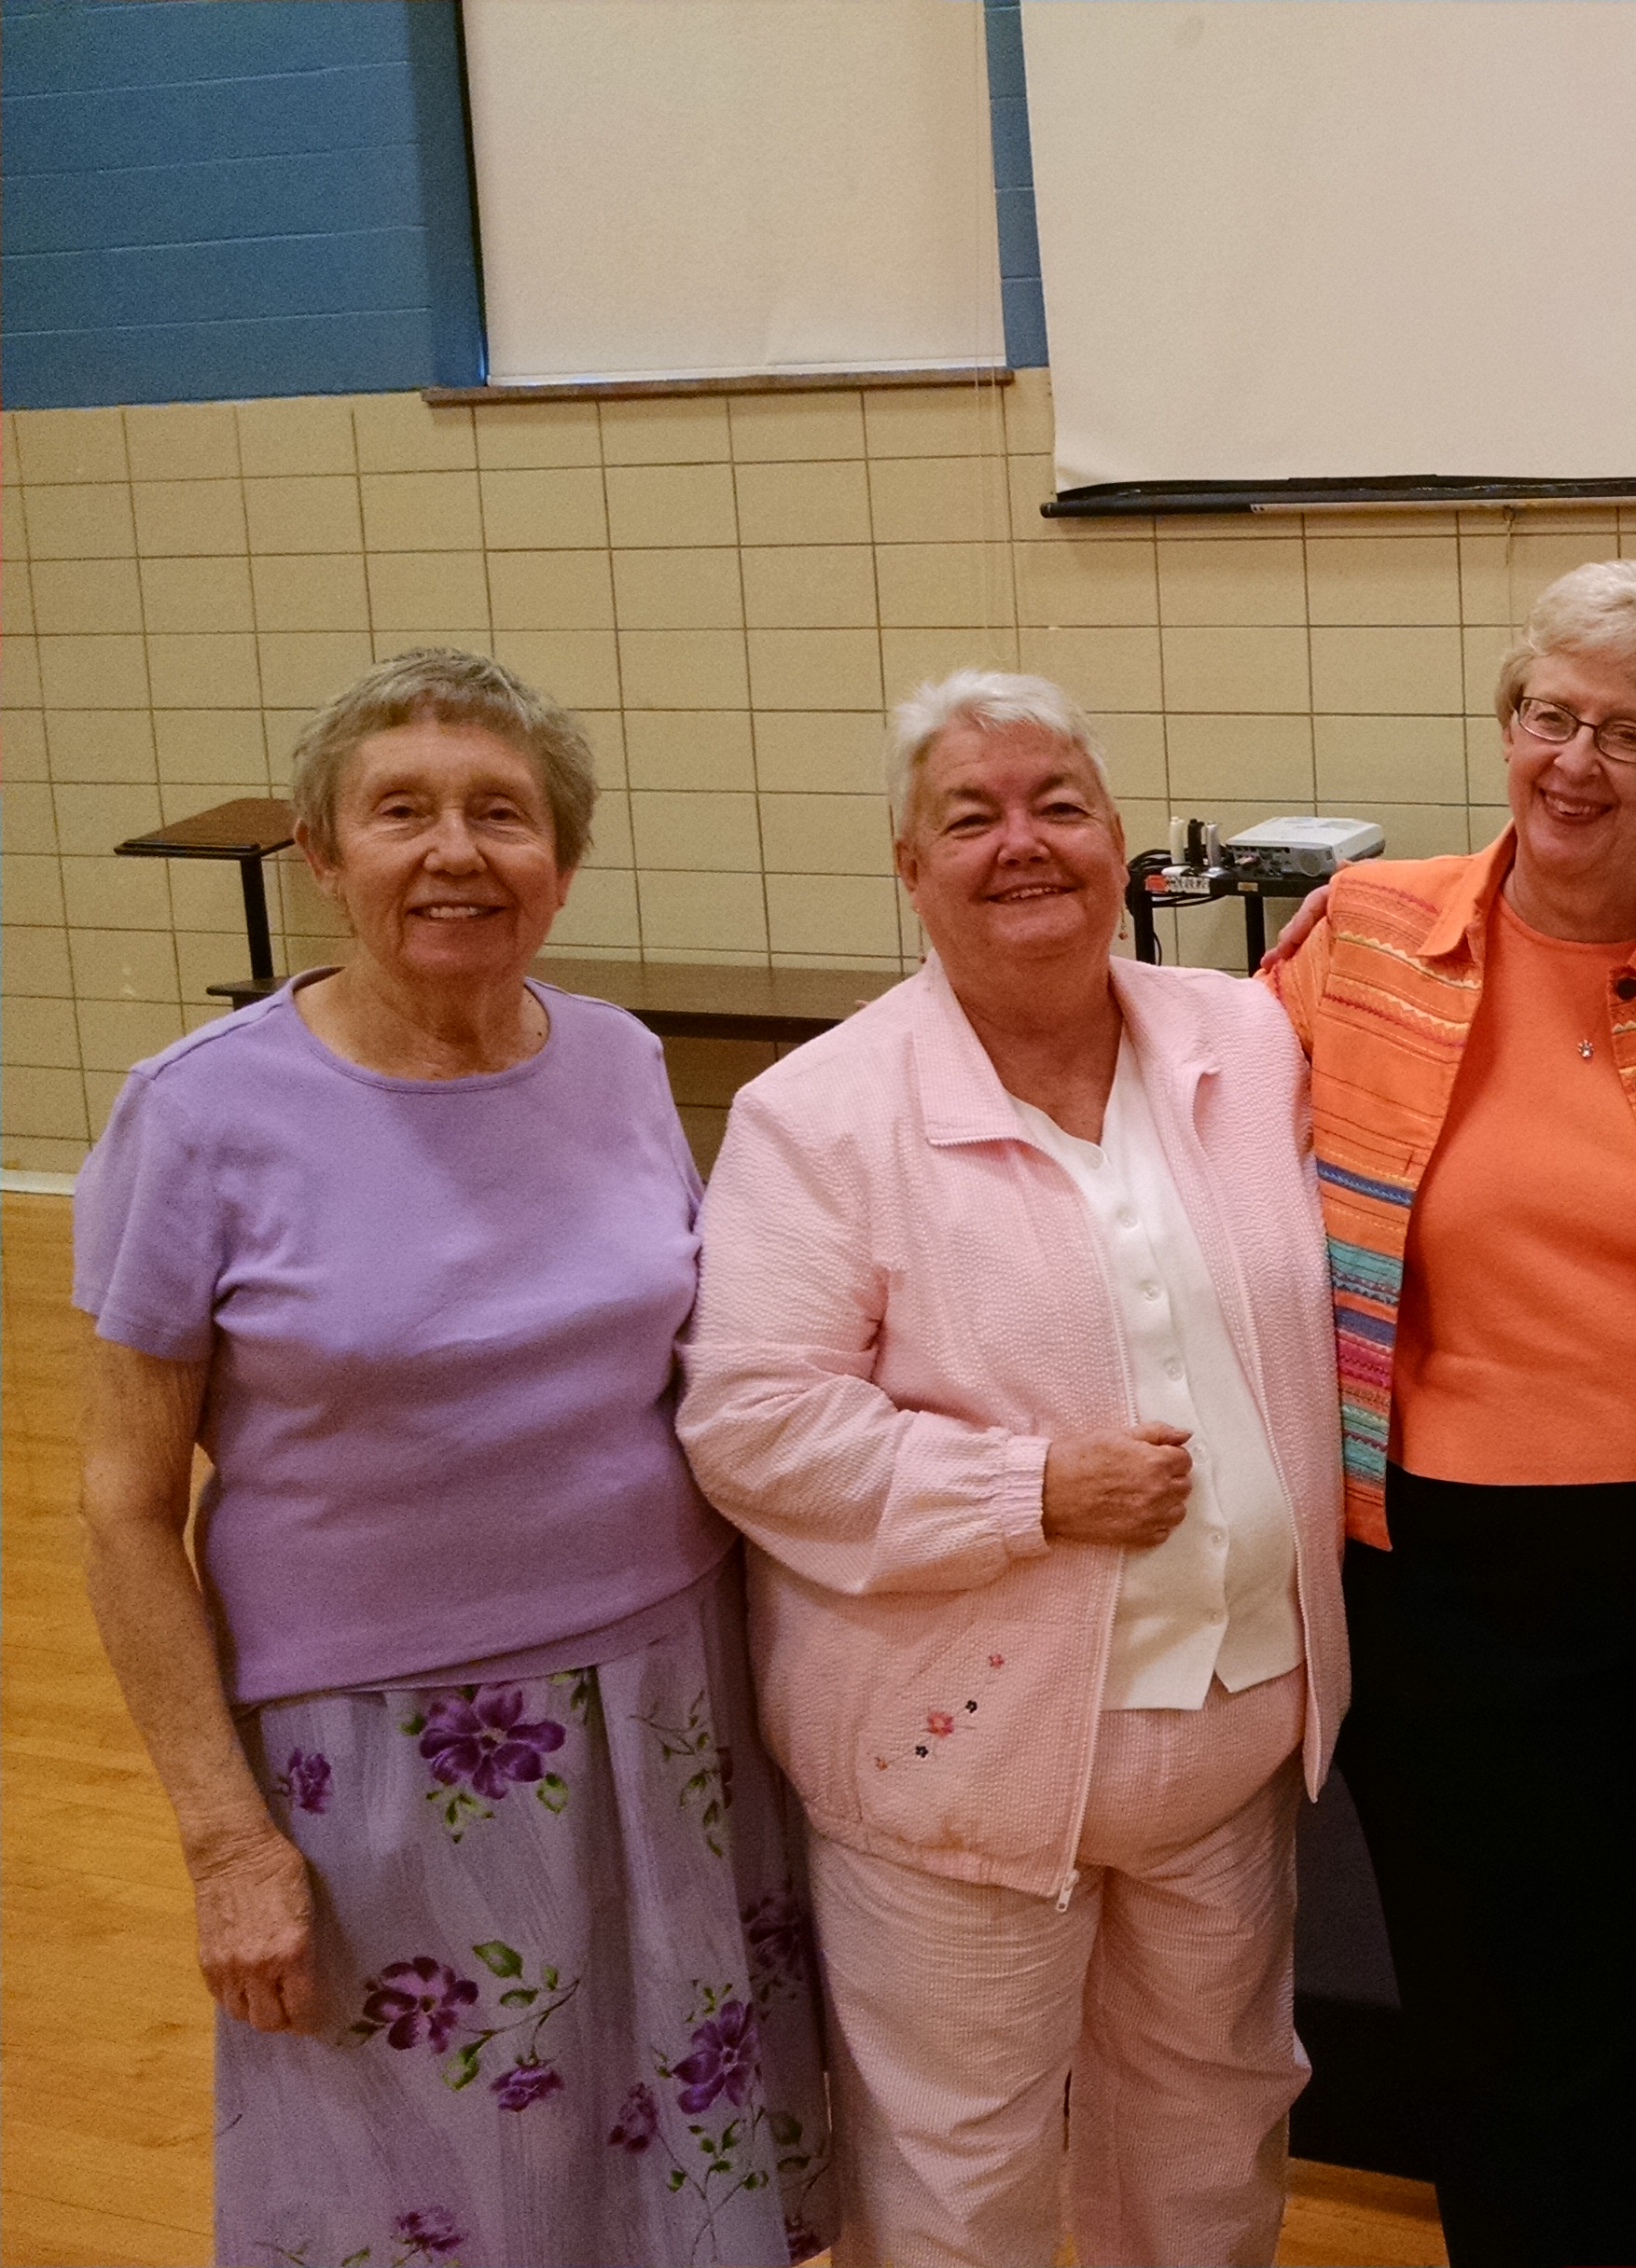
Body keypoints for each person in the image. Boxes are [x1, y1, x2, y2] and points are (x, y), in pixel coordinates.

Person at [72, 648, 830, 2266]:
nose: (455, 852)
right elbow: (125, 1506)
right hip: (384, 1748)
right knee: (429, 2183)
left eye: (501, 812)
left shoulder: (619, 1060)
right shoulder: (197, 1114)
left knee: (664, 2160)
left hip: (670, 1704)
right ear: (320, 851)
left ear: (561, 857)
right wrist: (225, 1842)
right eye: (400, 811)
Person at [676, 671, 1346, 2267]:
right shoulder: (817, 1118)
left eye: (1059, 805)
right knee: (962, 2175)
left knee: (1212, 2133)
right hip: (961, 1763)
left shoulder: (1243, 1038)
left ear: (1122, 842)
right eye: (970, 819)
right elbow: (751, 1421)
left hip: (1233, 1740)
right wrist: (1026, 1490)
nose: (1023, 843)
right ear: (909, 870)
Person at [1258, 560, 1636, 2266]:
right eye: (1550, 715)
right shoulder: (1367, 935)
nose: (1577, 761)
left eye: (1629, 734)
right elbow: (1195, 1121)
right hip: (1448, 1571)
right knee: (1504, 1997)